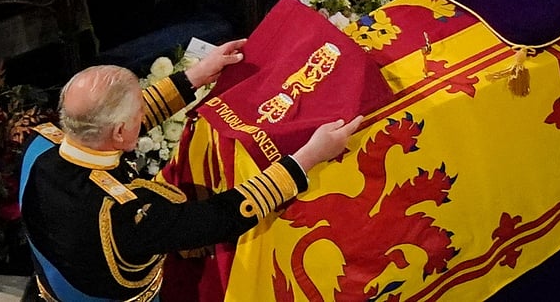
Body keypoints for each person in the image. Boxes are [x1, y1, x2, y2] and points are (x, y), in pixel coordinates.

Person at [19, 38, 363, 301]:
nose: (142, 116)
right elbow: (220, 217)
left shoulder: (43, 143)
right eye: (137, 114)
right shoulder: (125, 214)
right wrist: (306, 158)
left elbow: (107, 128)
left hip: (53, 276)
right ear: (121, 131)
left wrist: (194, 77)